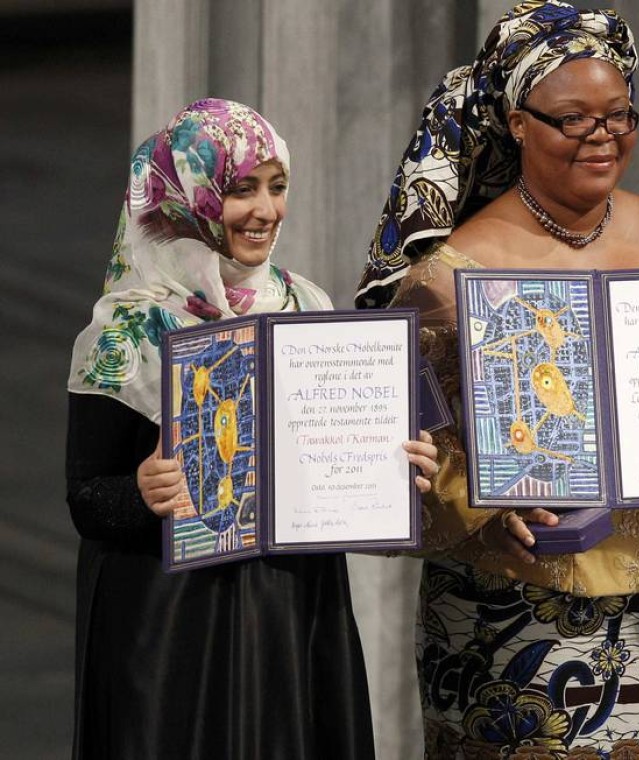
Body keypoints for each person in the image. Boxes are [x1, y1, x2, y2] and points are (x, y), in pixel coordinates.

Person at [355, 2, 639, 757]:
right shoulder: (452, 274)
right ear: (517, 123)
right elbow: (396, 468)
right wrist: (485, 508)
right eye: (573, 120)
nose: (602, 138)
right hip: (508, 609)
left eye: (618, 116)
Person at [65, 98, 436, 758]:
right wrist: (141, 494)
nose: (267, 210)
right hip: (171, 620)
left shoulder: (306, 303)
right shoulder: (124, 333)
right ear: (188, 196)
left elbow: (338, 449)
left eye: (277, 186)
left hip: (288, 609)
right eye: (242, 189)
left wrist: (398, 466)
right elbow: (87, 496)